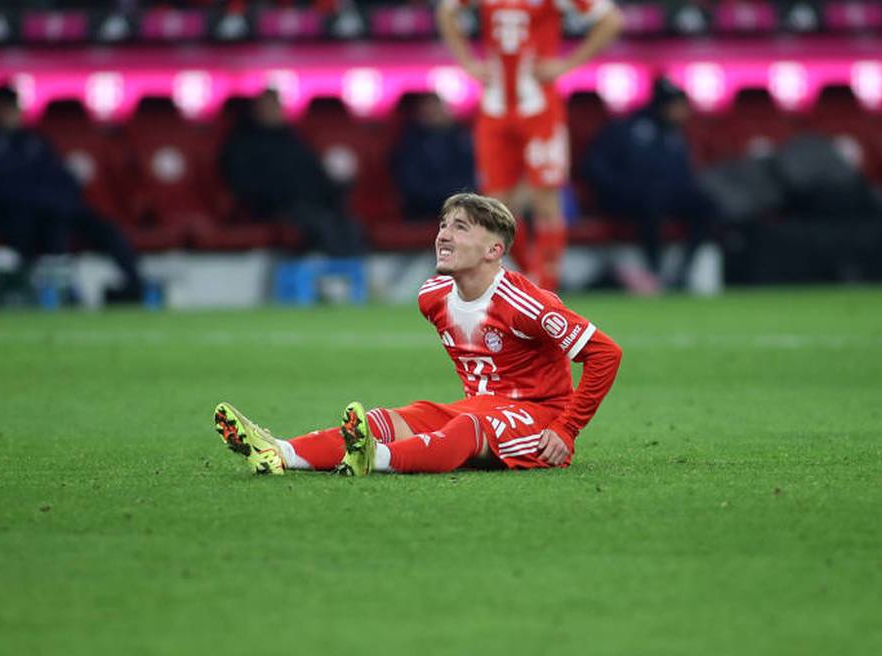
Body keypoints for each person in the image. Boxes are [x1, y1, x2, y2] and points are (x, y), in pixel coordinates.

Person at [213, 192, 622, 476]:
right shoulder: (433, 297)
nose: (443, 235)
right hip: (480, 407)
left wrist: (566, 429)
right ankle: (279, 452)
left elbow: (606, 353)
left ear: (493, 251)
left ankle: (378, 459)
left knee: (461, 432)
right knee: (383, 419)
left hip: (539, 421)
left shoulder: (525, 304)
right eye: (443, 225)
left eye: (460, 228)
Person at [436, 0, 623, 291]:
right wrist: (467, 62)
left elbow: (611, 20)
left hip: (539, 108)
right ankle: (531, 281)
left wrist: (566, 64)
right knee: (496, 207)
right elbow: (446, 11)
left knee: (545, 199)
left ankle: (547, 287)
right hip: (495, 108)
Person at [0, 85, 145, 301]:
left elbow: (64, 179)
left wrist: (59, 201)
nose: (9, 115)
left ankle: (134, 285)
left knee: (105, 228)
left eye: (12, 109)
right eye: (3, 109)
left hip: (56, 207)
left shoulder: (35, 141)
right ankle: (53, 292)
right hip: (17, 213)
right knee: (46, 228)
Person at [585, 78, 720, 288]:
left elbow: (683, 175)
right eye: (678, 106)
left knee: (706, 205)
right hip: (627, 199)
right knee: (653, 200)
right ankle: (653, 270)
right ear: (664, 106)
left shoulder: (675, 134)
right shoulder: (626, 128)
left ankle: (686, 266)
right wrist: (617, 189)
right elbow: (596, 167)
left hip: (665, 197)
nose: (683, 112)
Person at [219, 89, 364, 256]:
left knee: (350, 224)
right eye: (268, 106)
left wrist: (334, 190)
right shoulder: (243, 143)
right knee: (322, 225)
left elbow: (314, 173)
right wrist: (279, 195)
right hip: (274, 206)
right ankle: (333, 274)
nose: (274, 111)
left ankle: (352, 274)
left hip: (309, 204)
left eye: (276, 106)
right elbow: (243, 182)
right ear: (257, 110)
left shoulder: (292, 139)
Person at [391, 93, 476, 220]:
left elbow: (476, 176)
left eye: (438, 107)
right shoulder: (410, 145)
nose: (436, 113)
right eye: (428, 109)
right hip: (426, 210)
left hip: (468, 205)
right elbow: (414, 188)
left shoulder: (464, 138)